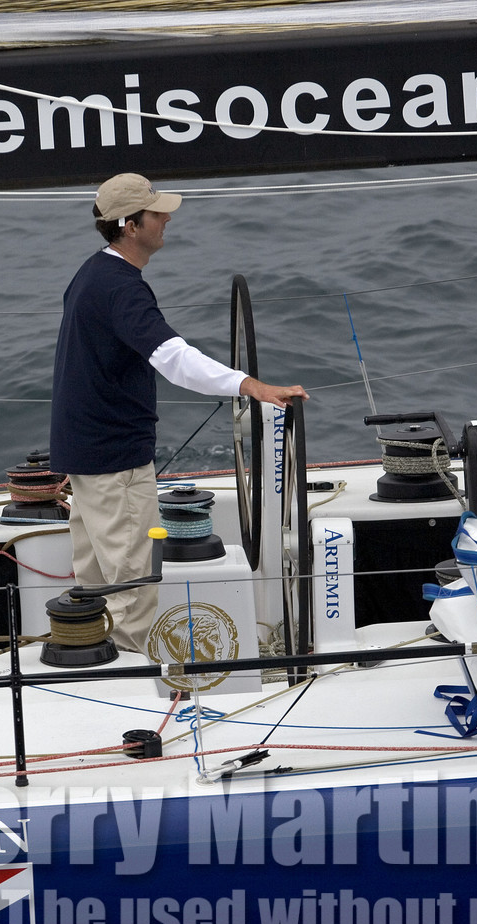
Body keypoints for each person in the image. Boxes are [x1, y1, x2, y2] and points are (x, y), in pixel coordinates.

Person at [50, 172, 308, 653]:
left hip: (82, 454)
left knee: (94, 583)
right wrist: (250, 385)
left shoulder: (90, 273)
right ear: (130, 225)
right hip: (115, 460)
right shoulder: (123, 288)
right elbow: (173, 358)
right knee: (132, 588)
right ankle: (136, 695)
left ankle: (96, 673)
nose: (167, 218)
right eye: (157, 213)